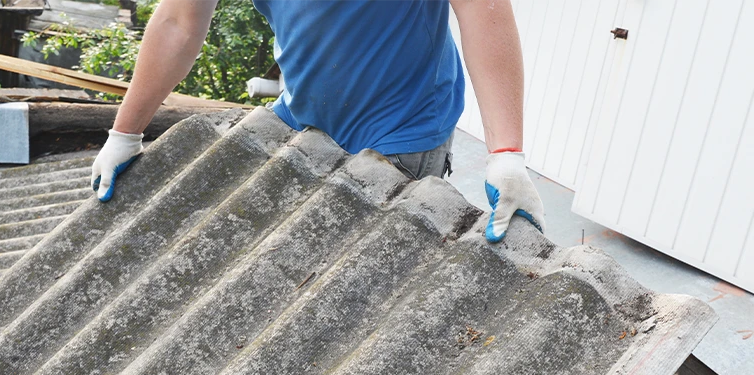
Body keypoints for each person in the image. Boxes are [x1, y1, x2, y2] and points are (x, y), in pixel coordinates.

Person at [91, 0, 545, 243]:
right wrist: (124, 133)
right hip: (302, 118)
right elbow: (178, 22)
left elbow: (484, 10)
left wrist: (506, 154)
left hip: (401, 128)